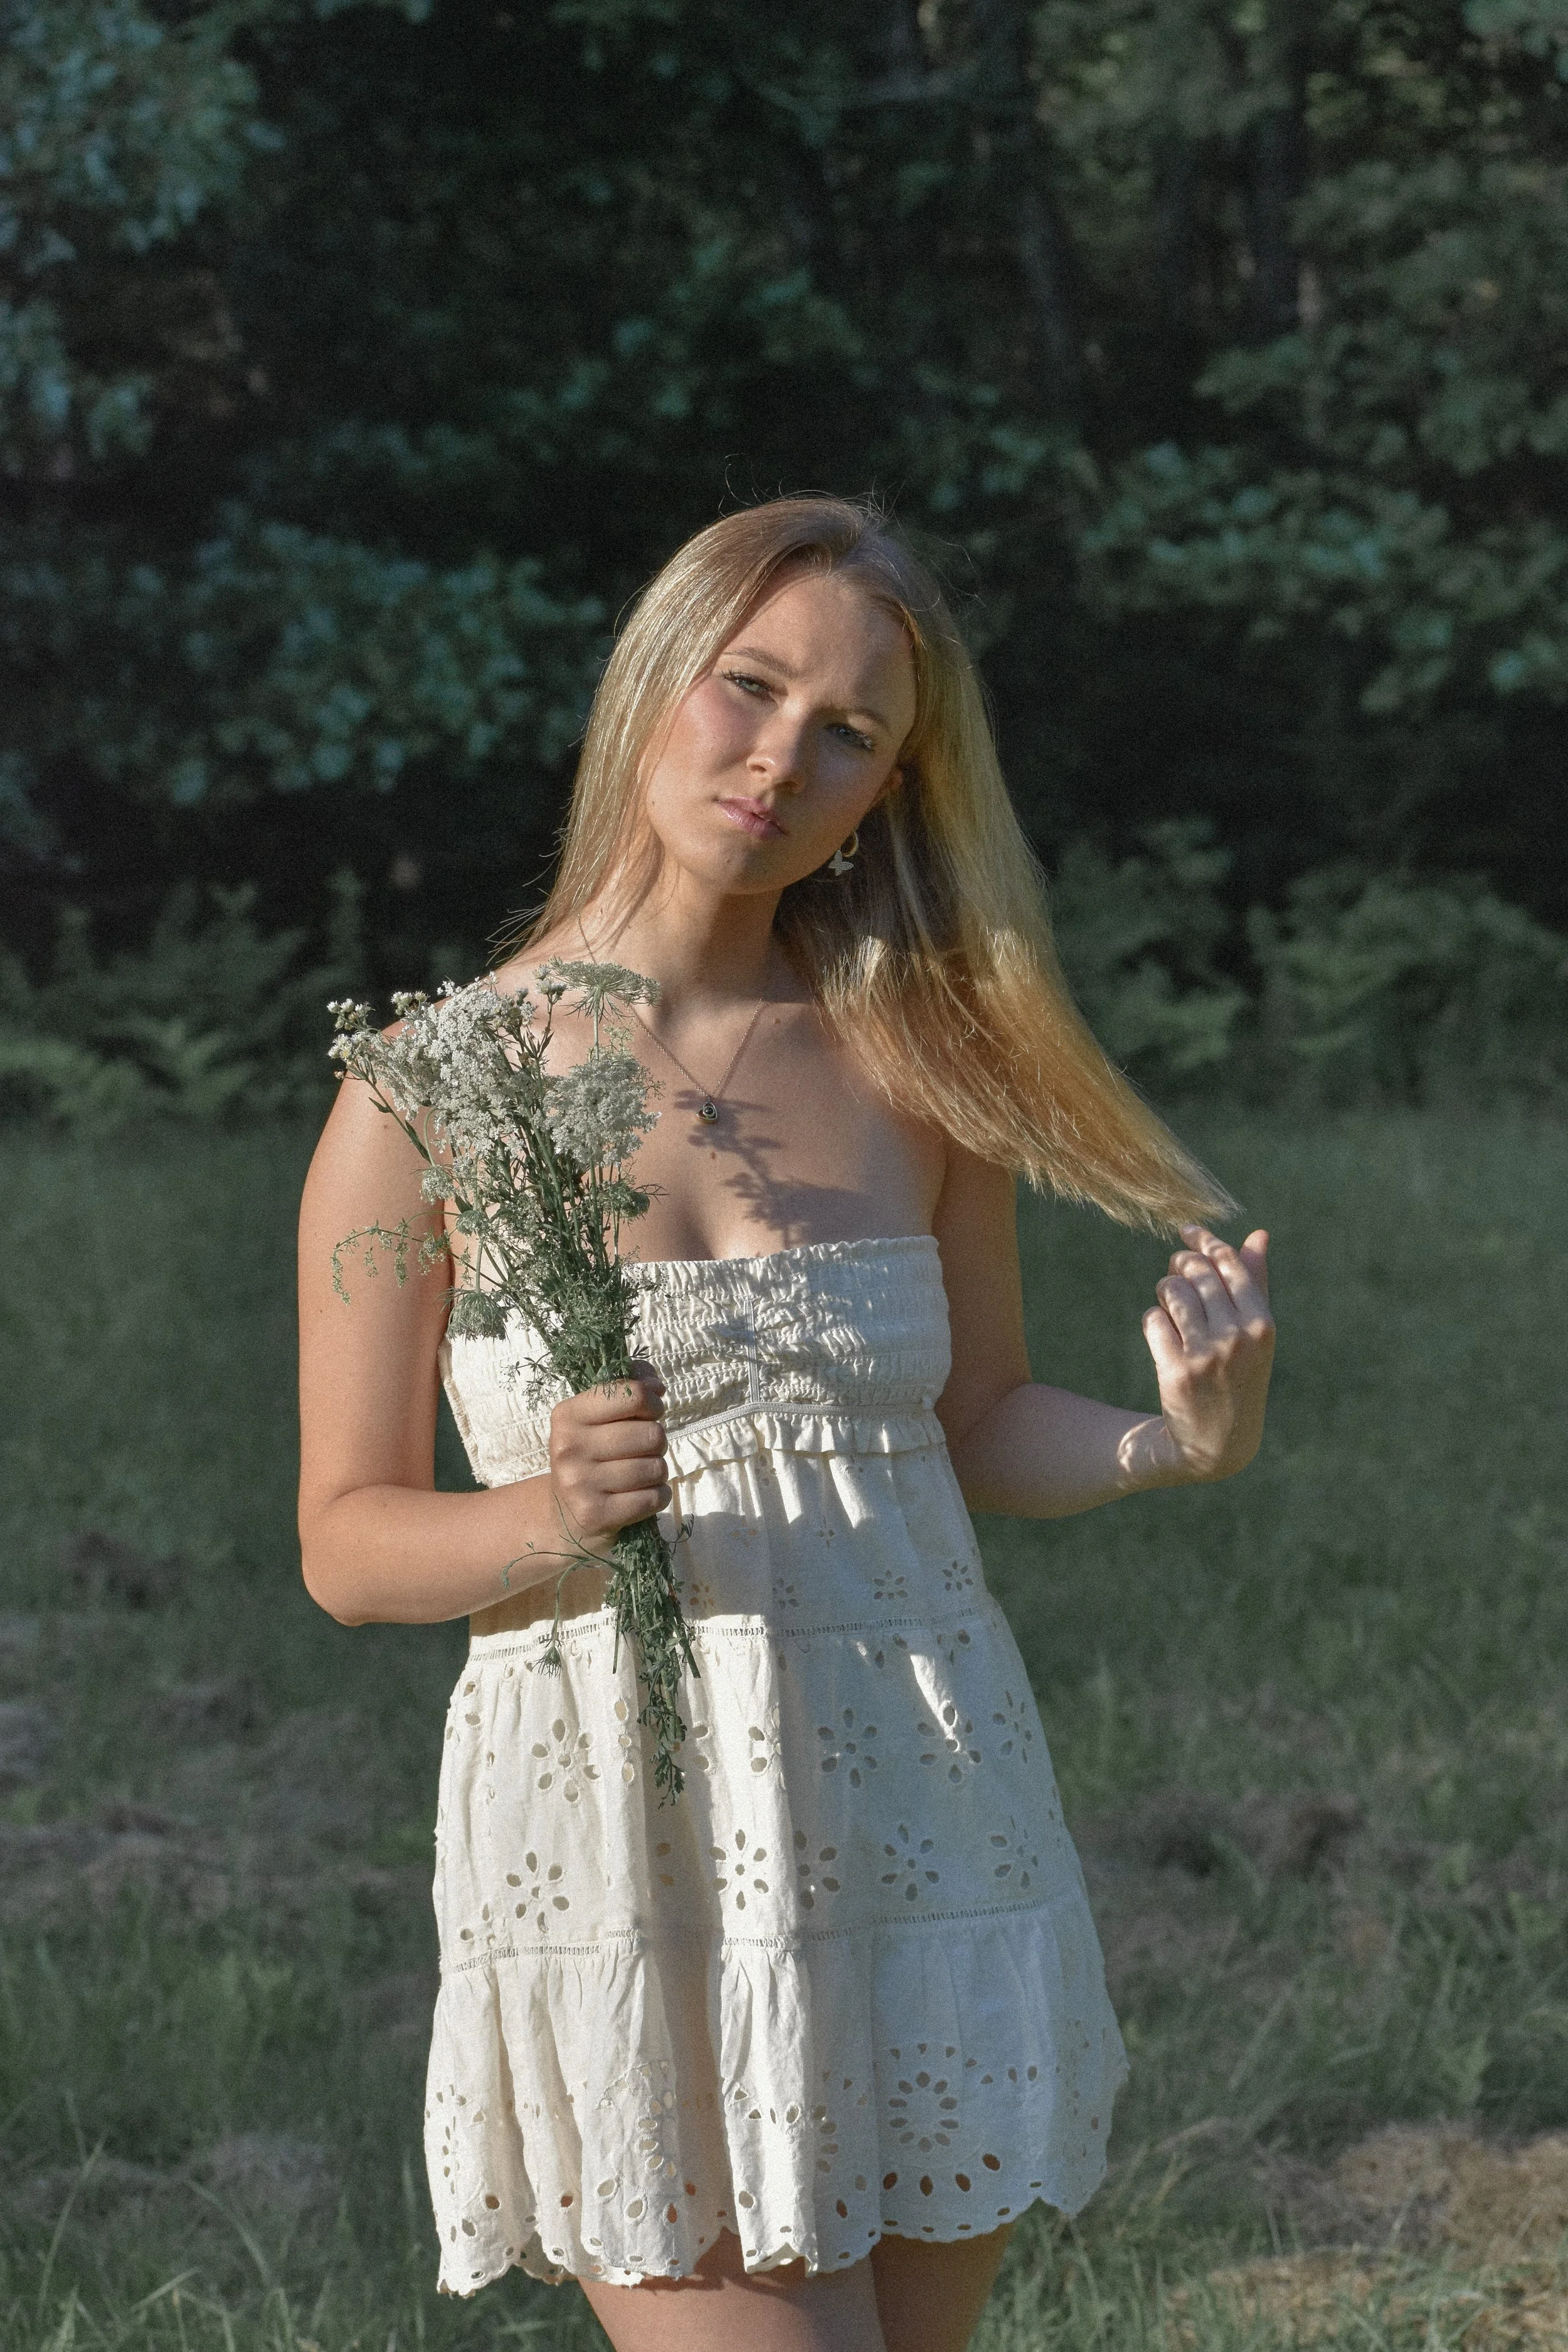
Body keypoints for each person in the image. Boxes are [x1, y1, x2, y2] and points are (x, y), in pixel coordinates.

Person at [297, 496, 1274, 2352]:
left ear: (896, 787)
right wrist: (549, 1516)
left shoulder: (916, 1065)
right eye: (750, 687)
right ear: (656, 672)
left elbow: (976, 1414)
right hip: (631, 1836)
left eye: (853, 734)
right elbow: (343, 1538)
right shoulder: (429, 1091)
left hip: (917, 1808)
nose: (782, 759)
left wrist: (1174, 1441)